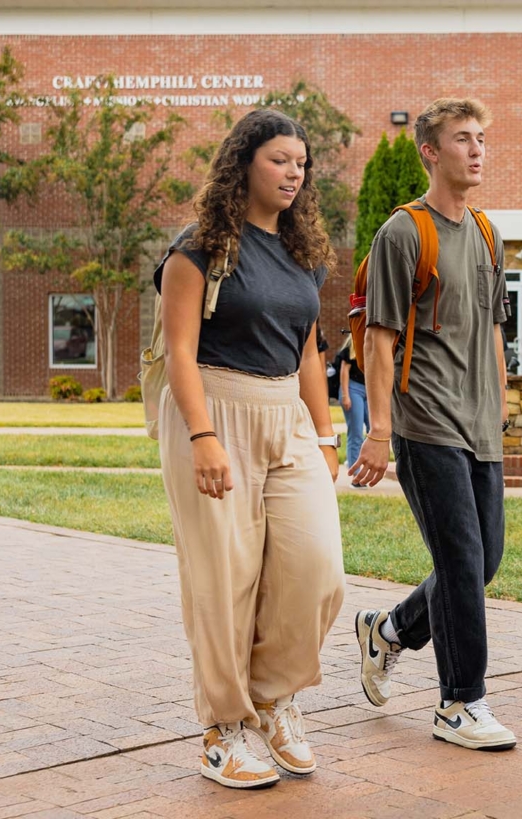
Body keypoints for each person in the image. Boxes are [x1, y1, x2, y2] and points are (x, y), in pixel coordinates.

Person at [155, 108, 345, 789]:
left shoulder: (302, 254)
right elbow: (179, 350)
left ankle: (270, 694)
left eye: (301, 163)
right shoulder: (199, 246)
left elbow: (308, 352)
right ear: (244, 165)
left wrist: (323, 436)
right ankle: (223, 727)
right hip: (215, 407)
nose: (293, 172)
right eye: (279, 160)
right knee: (223, 578)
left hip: (285, 412)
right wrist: (203, 435)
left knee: (318, 566)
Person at [350, 98, 515, 751]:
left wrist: (500, 401)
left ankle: (388, 631)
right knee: (461, 560)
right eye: (461, 139)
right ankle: (460, 702)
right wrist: (379, 428)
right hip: (425, 422)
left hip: (479, 426)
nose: (476, 150)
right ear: (430, 150)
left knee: (483, 562)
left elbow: (493, 327)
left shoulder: (487, 232)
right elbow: (381, 337)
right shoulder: (402, 233)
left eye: (481, 138)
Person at [334, 336, 370, 487]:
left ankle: (356, 460)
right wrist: (345, 395)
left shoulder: (373, 342)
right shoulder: (352, 345)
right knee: (355, 431)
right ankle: (357, 477)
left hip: (369, 389)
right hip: (352, 388)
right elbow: (344, 370)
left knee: (373, 429)